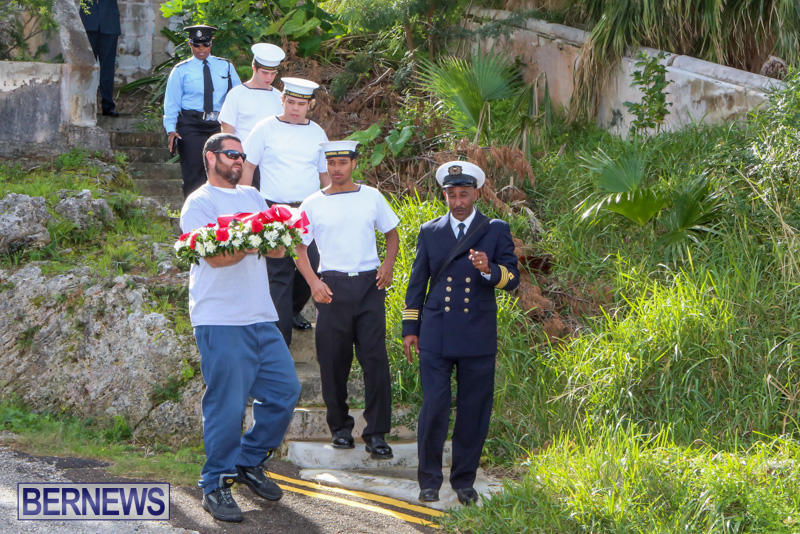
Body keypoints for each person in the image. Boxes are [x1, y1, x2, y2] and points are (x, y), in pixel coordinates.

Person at [180, 132, 301, 522]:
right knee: (227, 406)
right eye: (231, 154)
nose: (239, 160)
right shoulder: (199, 203)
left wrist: (256, 239)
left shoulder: (252, 197)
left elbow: (278, 248)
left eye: (242, 155)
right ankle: (214, 483)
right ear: (210, 157)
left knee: (285, 392)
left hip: (260, 316)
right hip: (220, 318)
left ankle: (248, 461)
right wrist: (254, 241)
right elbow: (216, 259)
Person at [402, 161, 520, 506]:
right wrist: (410, 328)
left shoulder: (494, 230)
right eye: (451, 195)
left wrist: (489, 269)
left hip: (476, 333)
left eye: (464, 194)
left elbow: (513, 280)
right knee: (434, 406)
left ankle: (464, 481)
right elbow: (417, 283)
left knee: (474, 409)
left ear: (476, 194)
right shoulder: (430, 231)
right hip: (436, 331)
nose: (458, 202)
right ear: (445, 196)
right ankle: (428, 480)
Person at [295, 140, 399, 459]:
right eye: (332, 163)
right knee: (332, 362)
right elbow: (298, 247)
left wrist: (388, 265)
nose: (336, 168)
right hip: (332, 288)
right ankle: (340, 429)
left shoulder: (371, 196)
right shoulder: (313, 203)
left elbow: (391, 233)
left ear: (354, 163)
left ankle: (376, 433)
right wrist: (313, 283)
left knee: (375, 361)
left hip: (369, 286)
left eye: (343, 162)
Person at [242, 77, 329, 344]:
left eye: (301, 104)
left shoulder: (317, 133)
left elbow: (324, 174)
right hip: (273, 209)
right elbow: (248, 167)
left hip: (307, 210)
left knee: (311, 264)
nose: (294, 108)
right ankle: (280, 341)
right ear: (282, 100)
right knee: (278, 272)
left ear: (310, 105)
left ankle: (291, 310)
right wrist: (245, 205)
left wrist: (332, 206)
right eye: (290, 102)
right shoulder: (264, 128)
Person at [164, 25, 241, 198]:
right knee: (193, 171)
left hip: (219, 124)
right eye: (196, 45)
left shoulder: (226, 67)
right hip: (191, 124)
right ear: (190, 44)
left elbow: (238, 96)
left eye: (205, 45)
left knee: (222, 169)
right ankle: (194, 209)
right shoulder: (181, 70)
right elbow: (172, 102)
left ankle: (221, 209)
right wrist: (171, 129)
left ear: (211, 43)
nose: (201, 49)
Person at [219, 42, 286, 191]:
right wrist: (232, 160)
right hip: (243, 160)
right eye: (265, 73)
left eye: (273, 73)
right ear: (254, 68)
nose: (269, 77)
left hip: (272, 163)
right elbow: (227, 132)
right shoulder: (237, 94)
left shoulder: (279, 97)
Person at [79, 0, 121, 117]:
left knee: (107, 69)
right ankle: (83, 105)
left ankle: (108, 106)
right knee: (85, 68)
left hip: (109, 23)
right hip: (88, 23)